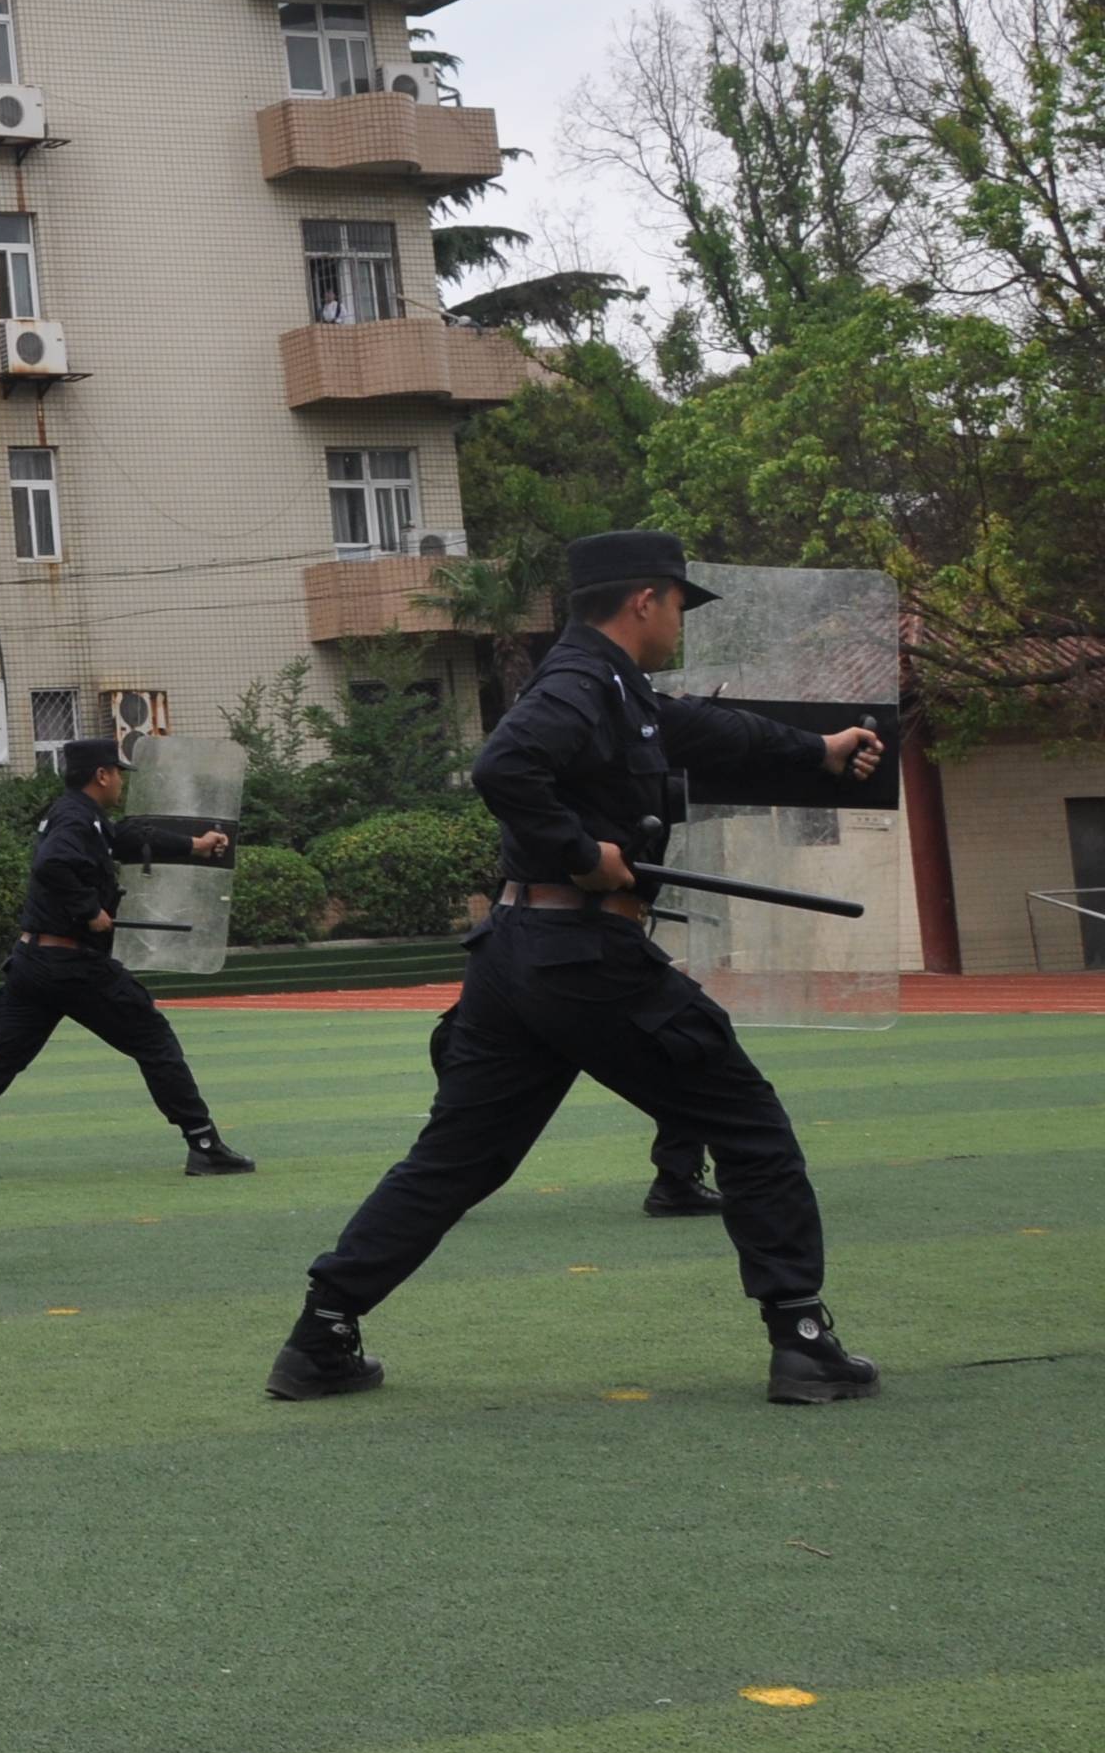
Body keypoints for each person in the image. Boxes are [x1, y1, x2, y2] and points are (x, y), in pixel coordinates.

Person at [270, 533, 889, 1406]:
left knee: (457, 1158)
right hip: (583, 953)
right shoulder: (578, 683)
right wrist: (583, 852)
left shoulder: (611, 687)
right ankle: (803, 1340)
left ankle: (320, 1334)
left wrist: (816, 748)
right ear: (645, 600)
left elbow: (701, 727)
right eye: (679, 602)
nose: (681, 620)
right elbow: (503, 766)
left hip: (521, 956)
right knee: (751, 1129)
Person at [0, 741, 252, 1183]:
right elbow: (52, 865)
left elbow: (126, 839)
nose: (123, 781)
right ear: (102, 775)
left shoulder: (76, 814)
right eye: (119, 773)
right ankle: (204, 1145)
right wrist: (90, 910)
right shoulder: (76, 818)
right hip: (71, 962)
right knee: (154, 1041)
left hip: (33, 962)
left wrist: (193, 844)